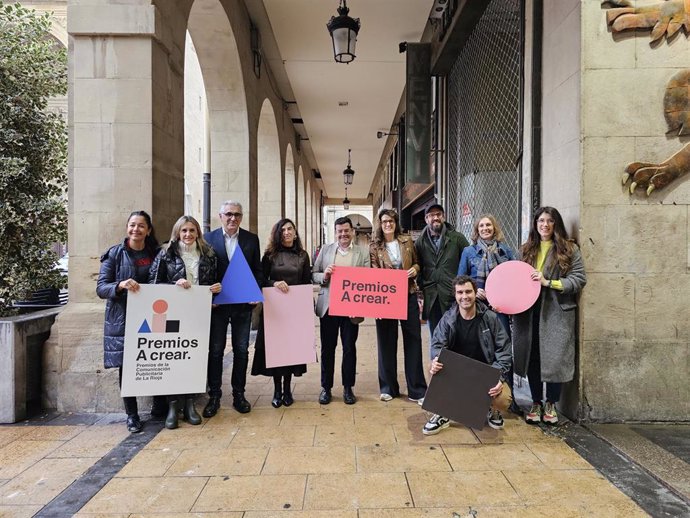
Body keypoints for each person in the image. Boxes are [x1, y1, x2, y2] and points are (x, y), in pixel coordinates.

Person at [512, 207, 586, 425]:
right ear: (535, 224)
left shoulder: (569, 249)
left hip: (555, 313)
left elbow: (579, 279)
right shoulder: (526, 249)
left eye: (550, 221)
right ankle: (536, 402)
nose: (545, 224)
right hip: (529, 312)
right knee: (532, 357)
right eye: (541, 220)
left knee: (554, 359)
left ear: (556, 224)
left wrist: (550, 283)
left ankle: (551, 403)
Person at [149, 215, 222, 429]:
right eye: (184, 231)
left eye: (192, 230)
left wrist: (215, 293)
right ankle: (173, 406)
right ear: (177, 233)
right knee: (174, 357)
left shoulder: (208, 255)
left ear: (198, 232)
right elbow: (154, 283)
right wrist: (174, 284)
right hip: (173, 315)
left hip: (199, 314)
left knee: (195, 357)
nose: (188, 234)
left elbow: (212, 282)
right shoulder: (165, 254)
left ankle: (190, 403)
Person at [96, 210, 164, 433]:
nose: (136, 229)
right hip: (123, 319)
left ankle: (159, 405)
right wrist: (120, 285)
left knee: (155, 359)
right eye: (132, 225)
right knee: (126, 367)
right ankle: (132, 415)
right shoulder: (115, 254)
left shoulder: (156, 253)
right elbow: (101, 288)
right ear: (127, 227)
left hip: (152, 318)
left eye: (141, 226)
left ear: (148, 230)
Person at [422, 275, 512, 435]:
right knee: (432, 367)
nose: (465, 296)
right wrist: (436, 359)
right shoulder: (448, 319)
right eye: (460, 292)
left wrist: (498, 377)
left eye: (468, 292)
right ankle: (443, 412)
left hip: (483, 373)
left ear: (475, 293)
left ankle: (492, 409)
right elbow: (437, 345)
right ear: (455, 295)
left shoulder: (489, 318)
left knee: (503, 400)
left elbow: (504, 349)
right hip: (457, 373)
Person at [203, 200, 263, 416]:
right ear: (220, 216)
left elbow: (258, 269)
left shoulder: (250, 239)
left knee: (241, 350)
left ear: (241, 217)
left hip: (242, 305)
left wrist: (255, 292)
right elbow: (203, 271)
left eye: (237, 214)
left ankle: (239, 394)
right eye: (228, 214)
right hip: (218, 305)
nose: (233, 218)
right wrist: (208, 293)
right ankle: (215, 396)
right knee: (216, 351)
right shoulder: (208, 239)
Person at [251, 218, 311, 407]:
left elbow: (307, 281)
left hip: (295, 309)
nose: (287, 232)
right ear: (278, 233)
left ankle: (287, 389)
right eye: (283, 229)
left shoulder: (303, 255)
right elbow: (261, 279)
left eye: (290, 229)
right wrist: (274, 283)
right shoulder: (270, 255)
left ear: (295, 232)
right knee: (276, 350)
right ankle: (277, 390)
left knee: (291, 350)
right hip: (275, 309)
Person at [369, 209, 427, 403]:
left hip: (408, 294)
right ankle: (388, 387)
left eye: (391, 221)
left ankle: (417, 389)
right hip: (385, 298)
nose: (388, 224)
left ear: (395, 223)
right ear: (380, 223)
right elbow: (373, 272)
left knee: (413, 340)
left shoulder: (406, 240)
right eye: (384, 221)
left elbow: (418, 263)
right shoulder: (375, 246)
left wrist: (414, 269)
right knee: (386, 341)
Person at [312, 216, 370, 405]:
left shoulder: (362, 252)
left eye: (346, 230)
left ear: (352, 231)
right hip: (329, 307)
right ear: (335, 233)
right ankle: (325, 388)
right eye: (339, 231)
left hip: (351, 309)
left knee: (349, 349)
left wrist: (360, 305)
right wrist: (325, 275)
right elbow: (314, 274)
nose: (343, 234)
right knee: (328, 349)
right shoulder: (326, 250)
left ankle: (348, 387)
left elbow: (368, 279)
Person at [415, 203, 470, 343]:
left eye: (438, 214)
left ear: (443, 217)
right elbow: (418, 266)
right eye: (431, 215)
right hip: (431, 297)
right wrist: (423, 287)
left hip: (453, 295)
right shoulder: (420, 242)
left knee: (456, 335)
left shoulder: (457, 238)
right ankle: (437, 363)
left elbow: (469, 261)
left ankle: (456, 365)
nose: (435, 218)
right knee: (436, 336)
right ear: (426, 219)